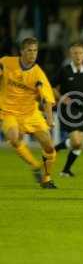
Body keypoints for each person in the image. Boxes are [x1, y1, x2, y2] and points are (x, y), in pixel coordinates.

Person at [0, 37, 57, 188]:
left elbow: (47, 100)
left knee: (49, 146)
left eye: (35, 51)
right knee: (13, 137)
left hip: (31, 114)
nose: (33, 54)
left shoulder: (38, 74)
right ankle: (34, 165)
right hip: (8, 112)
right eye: (29, 50)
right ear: (21, 52)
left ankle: (46, 178)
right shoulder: (6, 62)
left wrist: (50, 120)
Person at [53, 42, 83, 177]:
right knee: (76, 141)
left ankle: (65, 169)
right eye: (75, 53)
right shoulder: (64, 70)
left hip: (80, 110)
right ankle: (55, 151)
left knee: (78, 145)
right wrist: (61, 98)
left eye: (80, 53)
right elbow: (52, 88)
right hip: (66, 110)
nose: (78, 55)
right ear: (70, 55)